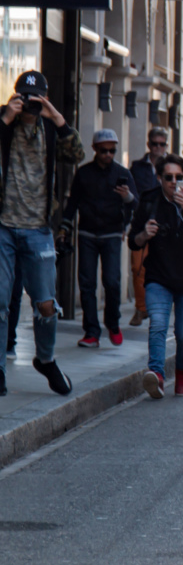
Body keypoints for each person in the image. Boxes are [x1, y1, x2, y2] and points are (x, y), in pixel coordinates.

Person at [0, 70, 81, 396]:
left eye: (37, 98)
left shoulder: (51, 129)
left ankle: (45, 360)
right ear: (16, 96)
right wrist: (6, 118)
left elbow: (77, 155)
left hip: (39, 230)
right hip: (4, 227)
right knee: (0, 302)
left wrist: (58, 119)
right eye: (26, 96)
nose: (31, 104)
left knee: (46, 304)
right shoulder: (4, 125)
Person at [129, 155, 183, 399]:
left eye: (179, 177)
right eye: (168, 177)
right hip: (158, 277)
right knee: (158, 326)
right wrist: (144, 234)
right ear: (159, 178)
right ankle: (156, 374)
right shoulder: (149, 200)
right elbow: (134, 241)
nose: (174, 182)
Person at [60, 128, 138, 349]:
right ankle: (91, 332)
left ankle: (112, 324)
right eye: (104, 150)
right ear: (94, 149)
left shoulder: (123, 174)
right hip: (87, 233)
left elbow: (137, 205)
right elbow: (72, 203)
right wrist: (64, 228)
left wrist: (127, 197)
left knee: (112, 282)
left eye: (112, 150)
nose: (108, 155)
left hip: (112, 233)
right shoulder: (83, 173)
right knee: (87, 284)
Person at [127, 126, 169, 326]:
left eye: (162, 144)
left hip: (166, 225)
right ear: (148, 144)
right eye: (155, 144)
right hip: (143, 223)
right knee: (138, 267)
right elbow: (132, 195)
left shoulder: (173, 167)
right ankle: (141, 308)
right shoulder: (137, 167)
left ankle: (159, 306)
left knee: (163, 267)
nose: (158, 148)